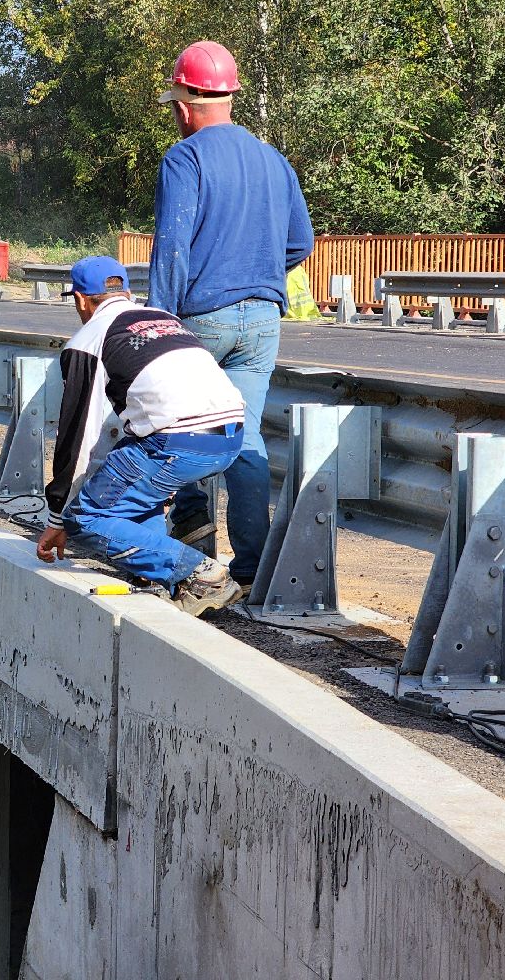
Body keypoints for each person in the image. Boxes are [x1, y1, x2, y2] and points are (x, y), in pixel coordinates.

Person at [148, 40, 314, 589]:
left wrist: (159, 327)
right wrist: (258, 274)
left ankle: (194, 552)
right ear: (230, 97)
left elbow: (171, 250)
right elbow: (300, 244)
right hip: (264, 318)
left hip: (201, 317)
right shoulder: (273, 159)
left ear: (183, 103)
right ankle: (252, 572)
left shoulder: (185, 158)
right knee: (243, 437)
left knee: (180, 426)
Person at [36, 256, 246, 616]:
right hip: (230, 438)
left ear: (80, 300)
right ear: (127, 292)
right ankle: (161, 578)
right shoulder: (165, 320)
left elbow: (77, 436)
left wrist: (57, 518)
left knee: (85, 518)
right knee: (128, 478)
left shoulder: (89, 339)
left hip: (177, 443)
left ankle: (201, 574)